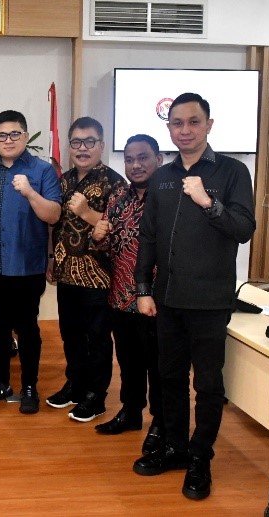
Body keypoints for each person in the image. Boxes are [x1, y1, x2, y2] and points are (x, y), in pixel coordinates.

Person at [131, 93, 255, 500]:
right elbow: (148, 236)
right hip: (167, 298)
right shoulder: (162, 177)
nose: (185, 130)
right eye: (177, 123)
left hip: (210, 300)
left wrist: (207, 201)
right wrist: (143, 289)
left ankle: (201, 458)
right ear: (169, 127)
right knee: (169, 378)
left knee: (207, 384)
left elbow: (243, 229)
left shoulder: (233, 172)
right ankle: (175, 448)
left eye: (193, 122)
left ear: (209, 125)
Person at [0, 110, 61, 414]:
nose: (8, 140)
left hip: (28, 264)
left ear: (25, 135)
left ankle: (29, 386)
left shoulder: (42, 170)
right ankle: (0, 382)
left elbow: (53, 216)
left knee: (27, 328)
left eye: (14, 134)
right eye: (1, 135)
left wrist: (30, 192)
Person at [47, 116, 127, 423]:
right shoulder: (63, 180)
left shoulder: (115, 183)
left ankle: (96, 396)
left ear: (101, 145)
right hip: (66, 271)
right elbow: (55, 225)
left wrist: (87, 212)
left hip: (98, 276)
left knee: (98, 338)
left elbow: (120, 230)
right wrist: (51, 259)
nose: (83, 148)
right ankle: (76, 384)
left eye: (89, 142)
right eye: (77, 142)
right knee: (71, 334)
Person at [90, 134, 164, 454]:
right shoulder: (119, 197)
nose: (135, 165)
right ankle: (131, 412)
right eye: (130, 159)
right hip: (120, 297)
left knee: (158, 366)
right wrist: (98, 235)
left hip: (157, 301)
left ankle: (160, 421)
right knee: (129, 362)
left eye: (143, 157)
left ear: (158, 159)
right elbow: (108, 245)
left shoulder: (169, 198)